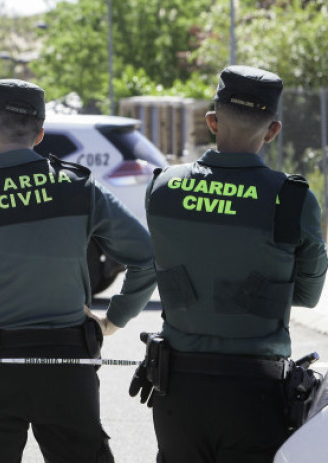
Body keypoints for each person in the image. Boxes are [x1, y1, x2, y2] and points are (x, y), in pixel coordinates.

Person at [0, 78, 157, 462]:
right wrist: (113, 320)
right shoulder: (80, 188)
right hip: (69, 366)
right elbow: (148, 257)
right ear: (40, 134)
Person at [140, 65, 328, 462]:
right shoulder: (291, 199)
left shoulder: (164, 187)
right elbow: (308, 295)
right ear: (273, 130)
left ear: (211, 121)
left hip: (177, 391)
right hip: (255, 391)